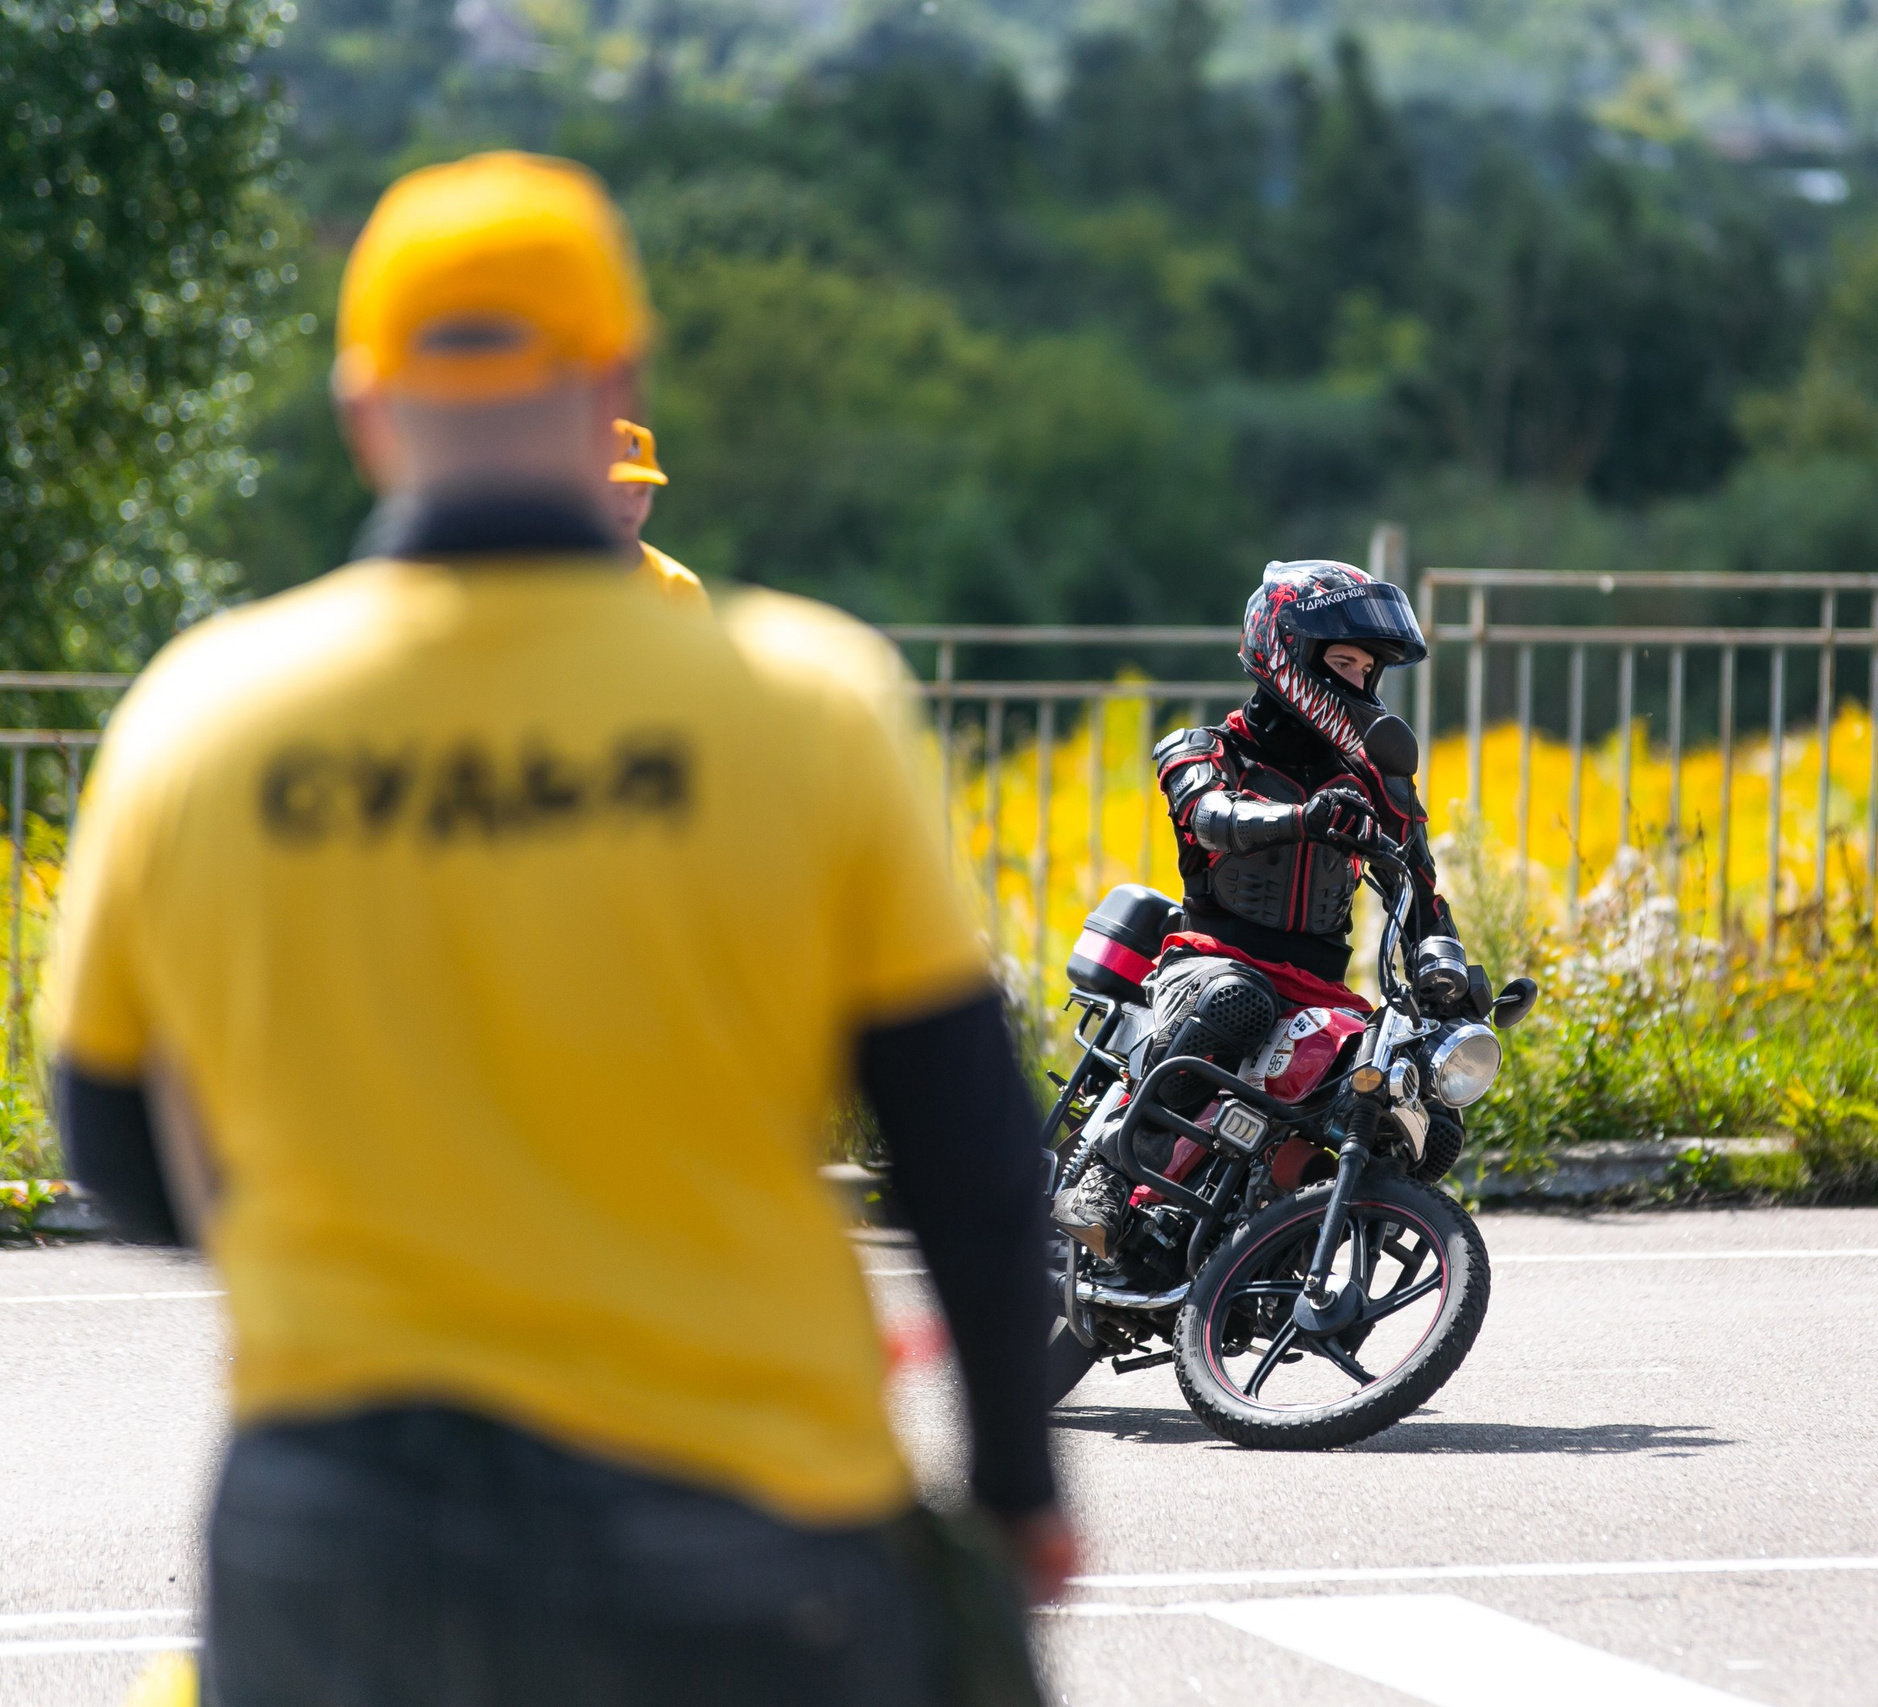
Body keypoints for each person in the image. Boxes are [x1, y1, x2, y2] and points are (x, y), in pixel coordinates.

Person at [44, 149, 1073, 1707]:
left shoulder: (205, 718)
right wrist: (1014, 1486)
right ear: (617, 383)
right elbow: (974, 1161)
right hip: (747, 1528)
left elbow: (111, 1147)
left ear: (360, 403)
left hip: (339, 1535)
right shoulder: (804, 705)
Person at [1053, 559, 1475, 1255]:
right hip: (1211, 965)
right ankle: (1104, 1174)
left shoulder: (1375, 785)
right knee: (1237, 1001)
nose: (1359, 683)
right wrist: (1302, 818)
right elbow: (1211, 815)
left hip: (1318, 994)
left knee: (1421, 1109)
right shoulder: (1206, 750)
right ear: (1288, 653)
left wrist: (1449, 974)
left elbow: (1420, 890)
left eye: (1370, 670)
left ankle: (1275, 1242)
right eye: (1343, 661)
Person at [605, 416, 710, 608]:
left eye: (641, 492)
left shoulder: (679, 588)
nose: (629, 505)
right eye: (617, 491)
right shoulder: (551, 576)